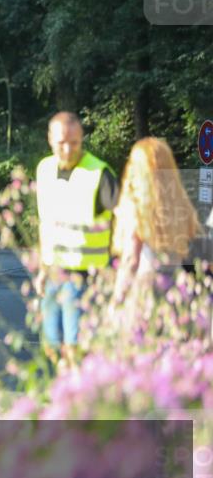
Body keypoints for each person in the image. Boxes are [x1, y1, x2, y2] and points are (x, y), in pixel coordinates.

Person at [33, 112, 119, 370]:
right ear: (50, 139)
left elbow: (124, 216)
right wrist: (42, 269)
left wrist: (118, 264)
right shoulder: (44, 169)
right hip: (53, 274)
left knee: (75, 349)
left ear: (82, 139)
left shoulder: (99, 172)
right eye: (62, 143)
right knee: (51, 346)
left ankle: (78, 391)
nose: (68, 149)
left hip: (85, 276)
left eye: (75, 143)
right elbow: (46, 222)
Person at [111, 137, 201, 307]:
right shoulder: (181, 206)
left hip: (144, 290)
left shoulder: (136, 208)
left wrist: (115, 300)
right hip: (176, 289)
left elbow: (131, 260)